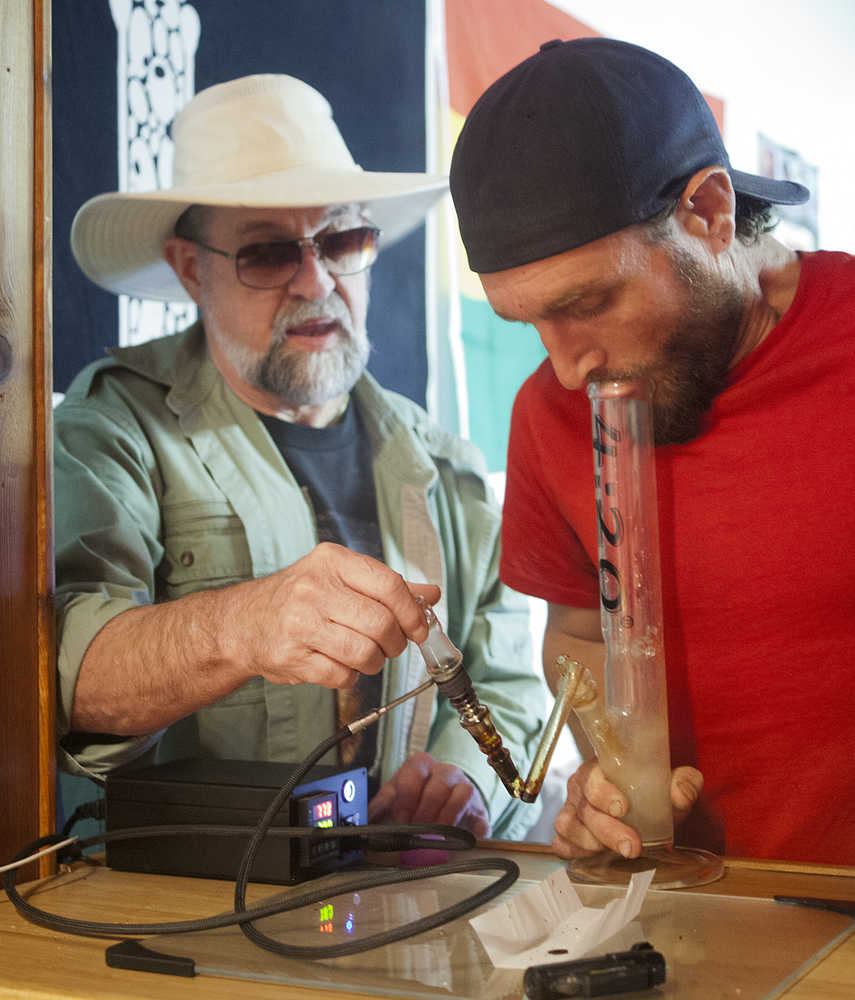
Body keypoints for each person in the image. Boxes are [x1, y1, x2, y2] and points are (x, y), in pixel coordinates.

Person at [55, 73, 546, 842]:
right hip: (177, 919)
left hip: (405, 912)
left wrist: (464, 781)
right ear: (191, 269)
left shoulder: (446, 466)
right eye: (268, 253)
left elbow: (509, 684)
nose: (316, 281)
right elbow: (67, 680)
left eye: (342, 240)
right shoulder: (114, 428)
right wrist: (239, 627)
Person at [449, 38, 855, 864]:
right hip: (695, 924)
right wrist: (607, 778)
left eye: (588, 303)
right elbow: (580, 628)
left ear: (707, 213)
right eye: (528, 322)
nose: (565, 365)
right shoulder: (549, 411)